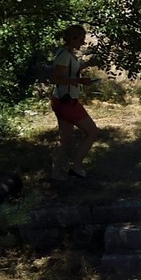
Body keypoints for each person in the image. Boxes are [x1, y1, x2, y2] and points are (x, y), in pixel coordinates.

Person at [49, 22, 99, 181]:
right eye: (80, 40)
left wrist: (87, 65)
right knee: (92, 132)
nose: (83, 43)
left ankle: (55, 173)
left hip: (63, 100)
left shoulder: (68, 53)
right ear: (71, 39)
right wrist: (79, 81)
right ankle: (76, 167)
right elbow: (55, 79)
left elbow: (71, 71)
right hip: (67, 102)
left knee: (66, 139)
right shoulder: (64, 55)